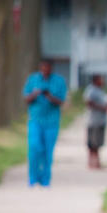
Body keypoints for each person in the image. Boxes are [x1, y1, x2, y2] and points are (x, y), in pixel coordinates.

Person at [23, 59, 67, 187]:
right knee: (34, 147)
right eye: (43, 67)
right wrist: (35, 93)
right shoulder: (33, 79)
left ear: (51, 68)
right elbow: (26, 98)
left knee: (48, 151)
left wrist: (49, 95)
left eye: (47, 67)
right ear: (40, 67)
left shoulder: (59, 81)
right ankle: (33, 178)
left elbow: (61, 101)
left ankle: (45, 180)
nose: (45, 69)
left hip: (52, 121)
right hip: (35, 119)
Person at [84, 75, 107, 169]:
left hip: (100, 121)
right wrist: (102, 108)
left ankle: (96, 162)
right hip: (93, 121)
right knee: (93, 143)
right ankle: (93, 163)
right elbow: (89, 103)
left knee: (98, 143)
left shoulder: (100, 90)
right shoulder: (91, 90)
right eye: (101, 79)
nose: (103, 81)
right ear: (96, 80)